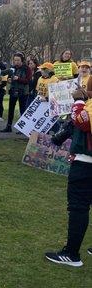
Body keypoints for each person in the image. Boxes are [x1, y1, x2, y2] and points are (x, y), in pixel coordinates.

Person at [45, 88, 92, 267]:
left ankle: (72, 254)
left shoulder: (86, 106)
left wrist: (79, 101)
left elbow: (83, 122)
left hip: (86, 163)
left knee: (78, 207)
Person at [0, 52, 32, 133]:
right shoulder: (12, 68)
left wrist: (18, 79)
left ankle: (22, 128)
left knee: (23, 110)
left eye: (18, 60)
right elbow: (5, 74)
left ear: (22, 60)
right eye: (15, 60)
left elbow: (28, 81)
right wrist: (9, 80)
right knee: (11, 109)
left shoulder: (27, 68)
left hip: (23, 92)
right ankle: (8, 126)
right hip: (13, 90)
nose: (16, 62)